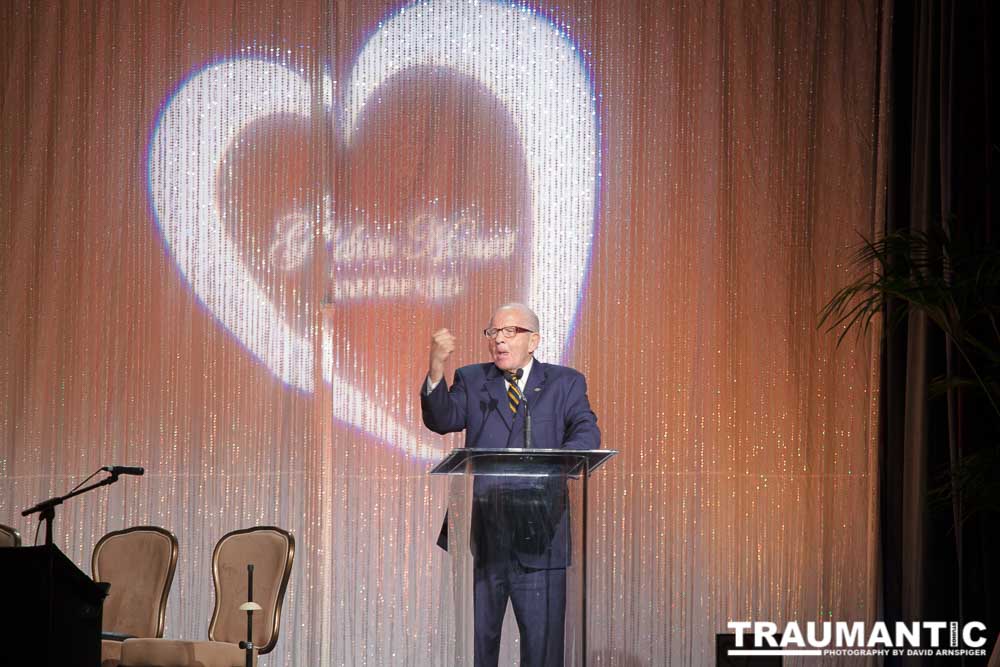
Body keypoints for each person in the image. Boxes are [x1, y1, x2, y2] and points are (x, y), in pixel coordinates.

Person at [421, 303, 600, 667]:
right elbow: (443, 419)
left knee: (543, 650)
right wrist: (436, 368)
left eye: (510, 332)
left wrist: (559, 462)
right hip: (488, 538)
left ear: (533, 340)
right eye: (493, 333)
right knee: (479, 649)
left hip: (542, 537)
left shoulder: (564, 383)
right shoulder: (473, 380)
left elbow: (586, 431)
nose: (499, 340)